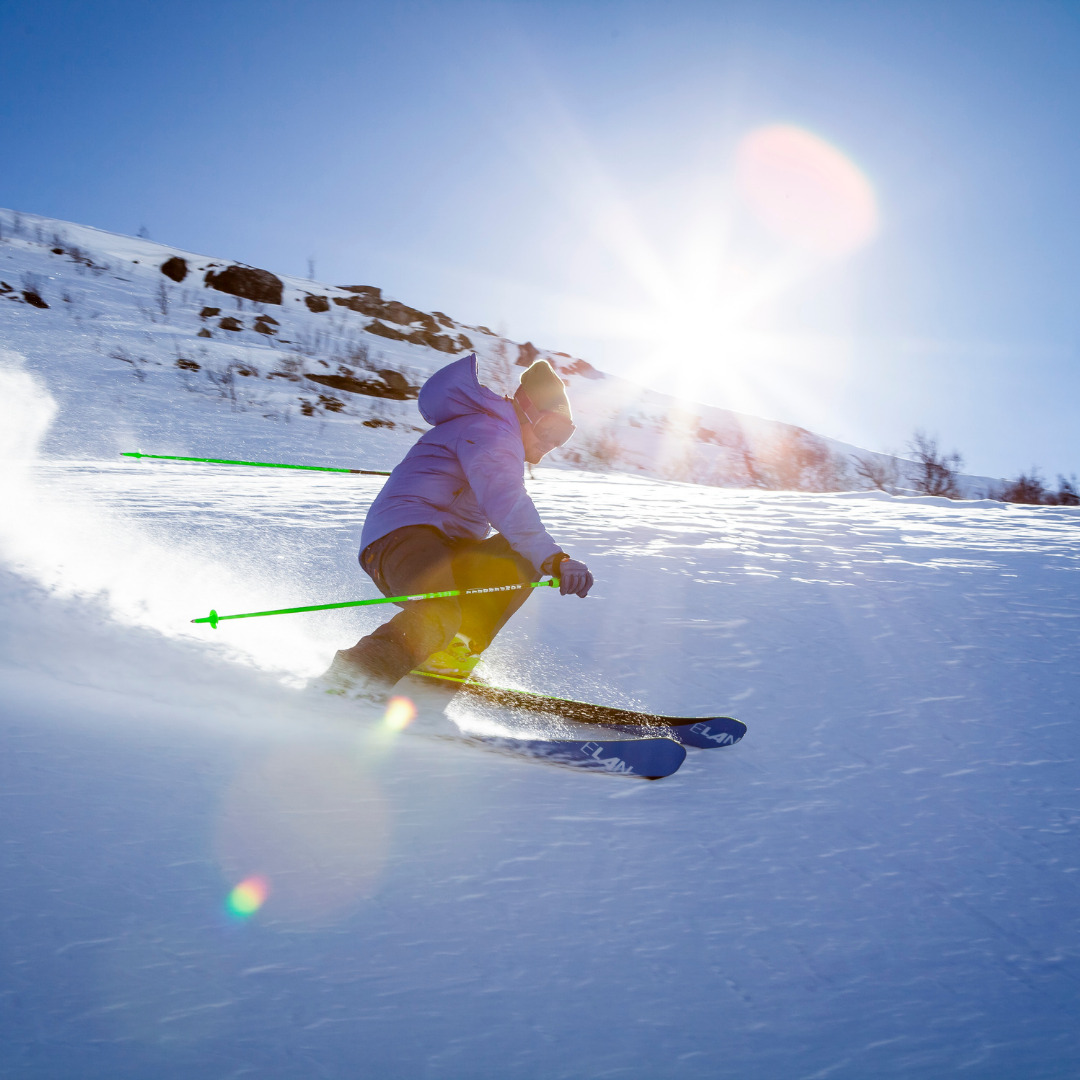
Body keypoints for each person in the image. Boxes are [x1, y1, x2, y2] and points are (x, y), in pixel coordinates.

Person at [320, 352, 594, 699]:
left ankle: (446, 659)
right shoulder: (492, 431)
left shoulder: (493, 432)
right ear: (526, 412)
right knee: (442, 608)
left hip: (444, 547)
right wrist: (555, 558)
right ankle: (351, 680)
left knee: (517, 555)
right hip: (401, 539)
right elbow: (506, 501)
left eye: (563, 437)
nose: (551, 444)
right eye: (550, 430)